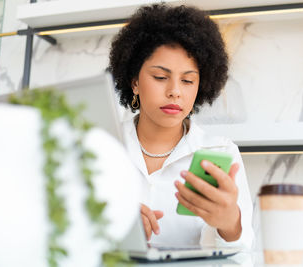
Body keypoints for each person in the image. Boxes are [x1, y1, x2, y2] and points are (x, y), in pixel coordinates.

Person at [108, 3, 253, 248]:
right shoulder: (104, 146)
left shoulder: (219, 153)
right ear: (134, 82)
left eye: (187, 80)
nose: (175, 91)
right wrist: (113, 230)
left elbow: (241, 256)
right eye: (161, 77)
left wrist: (229, 223)